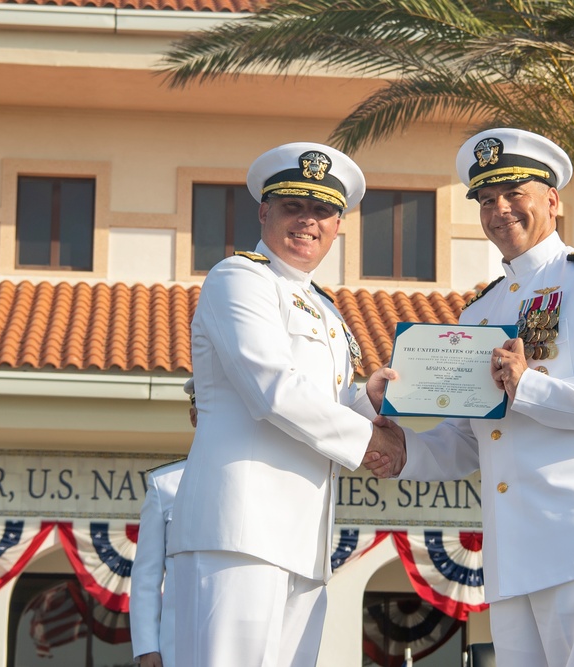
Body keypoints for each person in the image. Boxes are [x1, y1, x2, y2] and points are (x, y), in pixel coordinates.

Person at [369, 127, 574, 667]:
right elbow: (469, 441)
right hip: (512, 552)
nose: (500, 210)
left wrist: (529, 387)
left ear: (552, 201)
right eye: (487, 200)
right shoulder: (478, 313)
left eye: (514, 194)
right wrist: (402, 450)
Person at [168, 141, 404, 667]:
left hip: (302, 537)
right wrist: (370, 442)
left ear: (338, 225)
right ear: (264, 212)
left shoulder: (324, 307)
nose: (308, 222)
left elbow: (319, 398)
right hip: (239, 529)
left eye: (322, 210)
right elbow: (272, 389)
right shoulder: (240, 279)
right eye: (293, 206)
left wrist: (367, 400)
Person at [130, 378, 196, 667]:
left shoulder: (252, 482)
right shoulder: (165, 485)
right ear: (193, 415)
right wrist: (147, 648)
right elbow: (147, 575)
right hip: (176, 647)